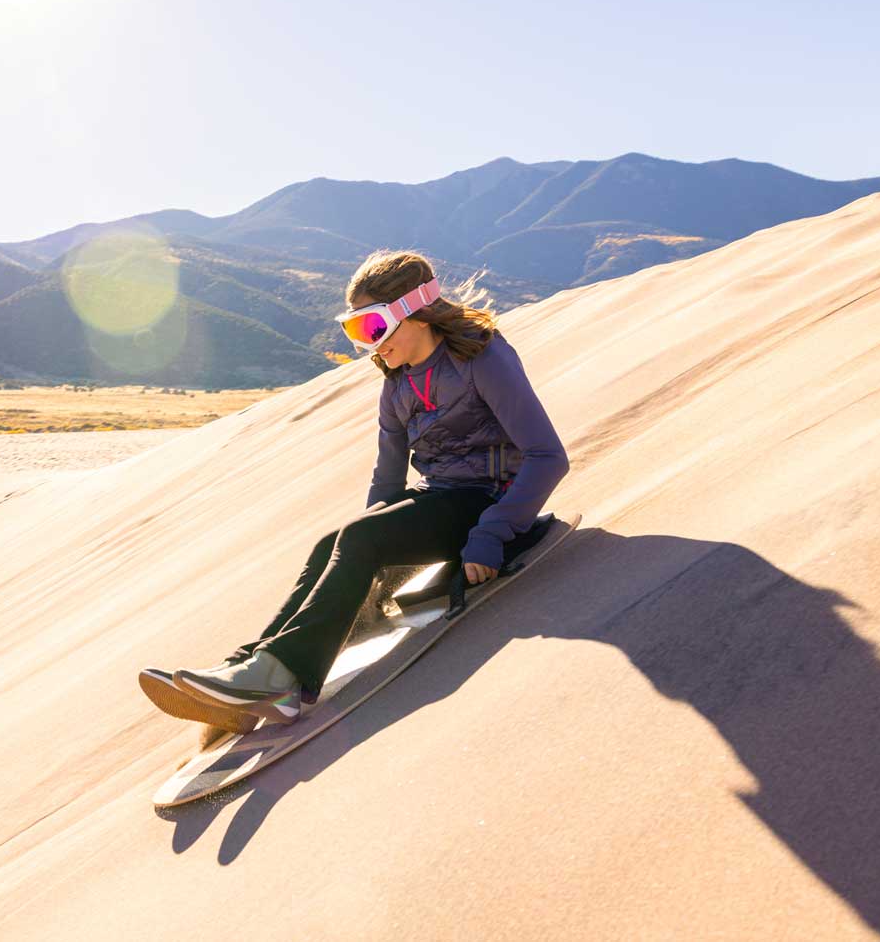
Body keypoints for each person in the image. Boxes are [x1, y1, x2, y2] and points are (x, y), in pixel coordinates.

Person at [142, 248, 570, 733]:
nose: (369, 345)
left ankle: (281, 680)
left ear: (413, 310)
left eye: (373, 328)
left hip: (491, 501)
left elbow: (548, 457)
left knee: (359, 540)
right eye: (355, 332)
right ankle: (246, 666)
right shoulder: (397, 388)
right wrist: (375, 551)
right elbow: (386, 484)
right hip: (442, 500)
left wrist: (493, 533)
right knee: (337, 540)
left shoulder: (482, 357)